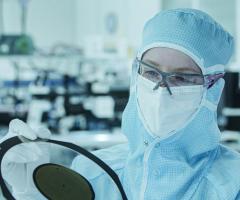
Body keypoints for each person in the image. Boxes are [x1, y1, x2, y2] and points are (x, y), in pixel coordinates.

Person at [1, 8, 240, 200]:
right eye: (151, 72)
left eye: (182, 77)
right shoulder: (93, 172)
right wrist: (30, 193)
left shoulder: (232, 184)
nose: (161, 90)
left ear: (212, 88)